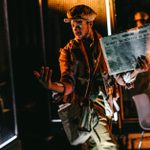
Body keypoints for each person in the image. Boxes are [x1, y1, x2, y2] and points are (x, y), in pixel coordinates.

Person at [34, 4, 149, 150]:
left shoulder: (106, 47)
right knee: (108, 146)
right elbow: (68, 82)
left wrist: (136, 71)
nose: (75, 27)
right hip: (88, 108)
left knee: (96, 146)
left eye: (79, 23)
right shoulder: (68, 52)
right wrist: (52, 86)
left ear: (90, 23)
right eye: (73, 24)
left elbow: (120, 78)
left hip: (107, 106)